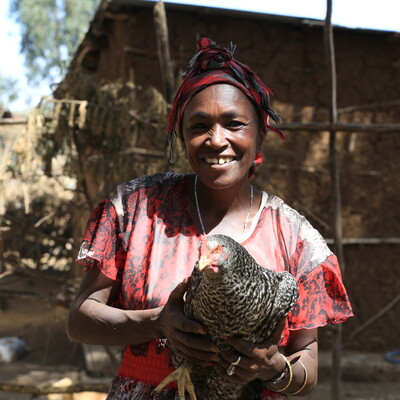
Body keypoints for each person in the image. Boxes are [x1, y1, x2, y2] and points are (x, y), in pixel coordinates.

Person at [67, 38, 353, 400]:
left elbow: (306, 360)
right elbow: (79, 320)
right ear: (182, 135)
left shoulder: (295, 237)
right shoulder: (135, 209)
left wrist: (275, 370)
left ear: (259, 136)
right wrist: (156, 323)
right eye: (199, 126)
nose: (216, 141)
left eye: (234, 124)